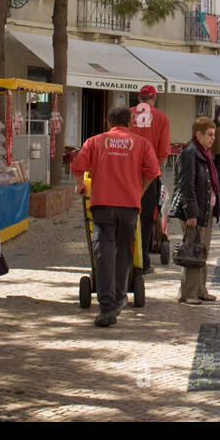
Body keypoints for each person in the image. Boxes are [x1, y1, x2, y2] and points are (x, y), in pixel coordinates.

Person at [71, 105, 161, 327]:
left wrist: (80, 185)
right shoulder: (141, 143)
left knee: (104, 254)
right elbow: (152, 171)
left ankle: (106, 307)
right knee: (124, 254)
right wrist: (140, 190)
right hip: (129, 206)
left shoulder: (95, 141)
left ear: (108, 122)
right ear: (129, 122)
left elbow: (77, 166)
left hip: (103, 205)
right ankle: (120, 297)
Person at [172, 116, 220, 305]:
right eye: (209, 134)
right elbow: (186, 186)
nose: (213, 138)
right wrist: (191, 213)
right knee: (192, 252)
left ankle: (201, 290)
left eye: (214, 134)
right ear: (198, 134)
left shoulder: (205, 154)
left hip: (205, 211)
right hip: (195, 211)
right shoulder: (189, 153)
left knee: (202, 251)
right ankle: (188, 293)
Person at [128, 85, 170, 273]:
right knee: (146, 220)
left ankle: (126, 260)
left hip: (126, 173)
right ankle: (143, 262)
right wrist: (154, 167)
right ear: (153, 99)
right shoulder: (161, 118)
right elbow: (164, 151)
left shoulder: (127, 115)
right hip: (150, 175)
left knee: (126, 216)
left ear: (139, 98)